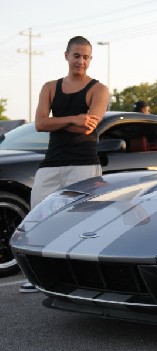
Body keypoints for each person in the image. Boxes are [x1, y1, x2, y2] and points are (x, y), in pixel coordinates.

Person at [22, 36, 109, 293]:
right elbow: (39, 124)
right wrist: (75, 118)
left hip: (83, 165)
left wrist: (58, 120)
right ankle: (36, 277)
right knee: (37, 219)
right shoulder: (50, 87)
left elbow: (87, 128)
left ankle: (83, 278)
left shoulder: (98, 89)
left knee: (83, 225)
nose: (80, 61)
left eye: (86, 57)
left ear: (90, 59)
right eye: (76, 55)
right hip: (52, 163)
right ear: (66, 56)